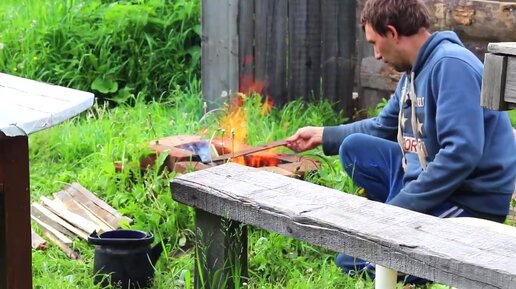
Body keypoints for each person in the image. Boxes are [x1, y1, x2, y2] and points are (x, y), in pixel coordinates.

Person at [285, 0, 516, 284]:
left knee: (358, 261)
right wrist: (323, 134)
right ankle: (402, 222)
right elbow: (383, 126)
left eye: (374, 42)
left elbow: (461, 155)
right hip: (429, 178)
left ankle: (408, 229)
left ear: (392, 32)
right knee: (355, 147)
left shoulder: (450, 66)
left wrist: (398, 211)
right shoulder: (414, 71)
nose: (376, 55)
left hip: (467, 198)